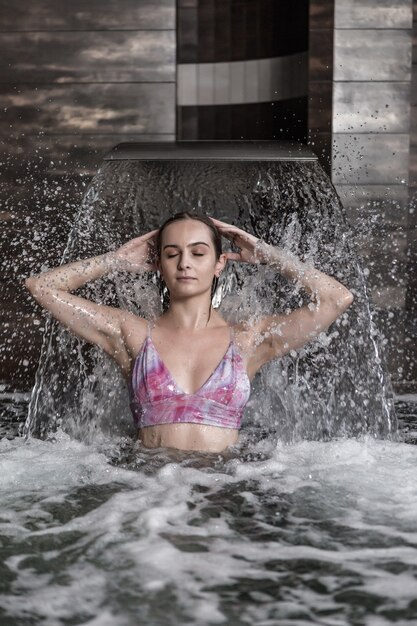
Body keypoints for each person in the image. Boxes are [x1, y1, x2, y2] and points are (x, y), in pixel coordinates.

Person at [25, 212, 354, 453]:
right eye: (172, 254)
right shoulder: (132, 333)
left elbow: (337, 299)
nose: (185, 263)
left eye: (198, 253)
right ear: (159, 263)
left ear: (219, 263)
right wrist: (115, 260)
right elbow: (42, 287)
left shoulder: (248, 339)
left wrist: (270, 255)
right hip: (147, 491)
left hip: (227, 489)